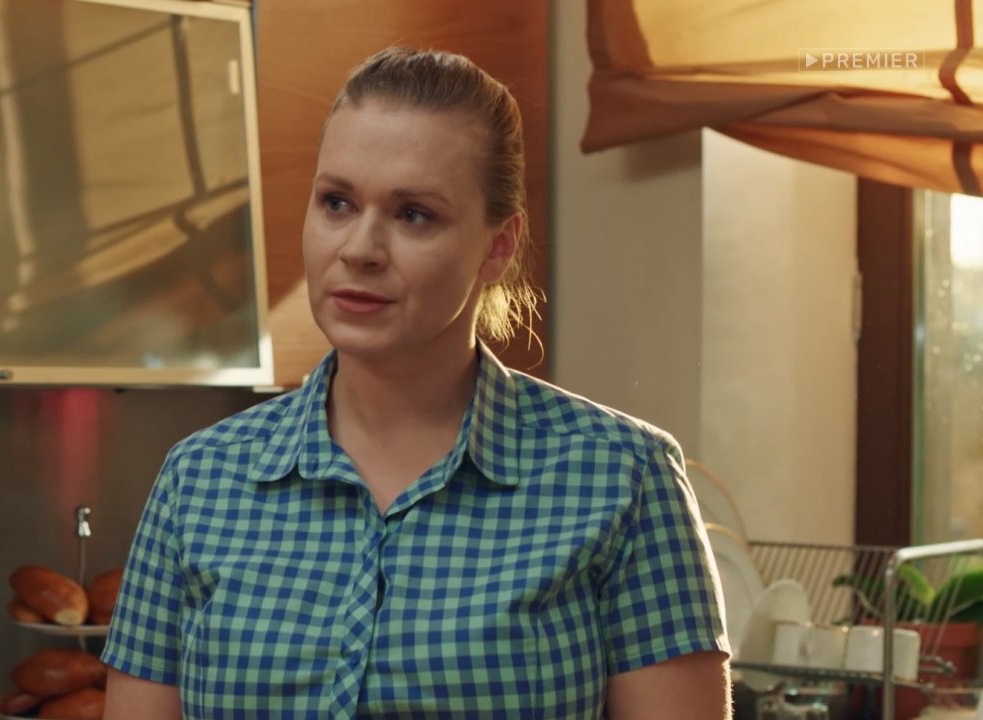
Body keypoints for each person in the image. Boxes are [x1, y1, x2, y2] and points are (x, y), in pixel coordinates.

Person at [101, 46, 731, 719]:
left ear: (498, 246)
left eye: (413, 215)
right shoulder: (199, 482)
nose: (359, 249)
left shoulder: (621, 479)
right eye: (337, 203)